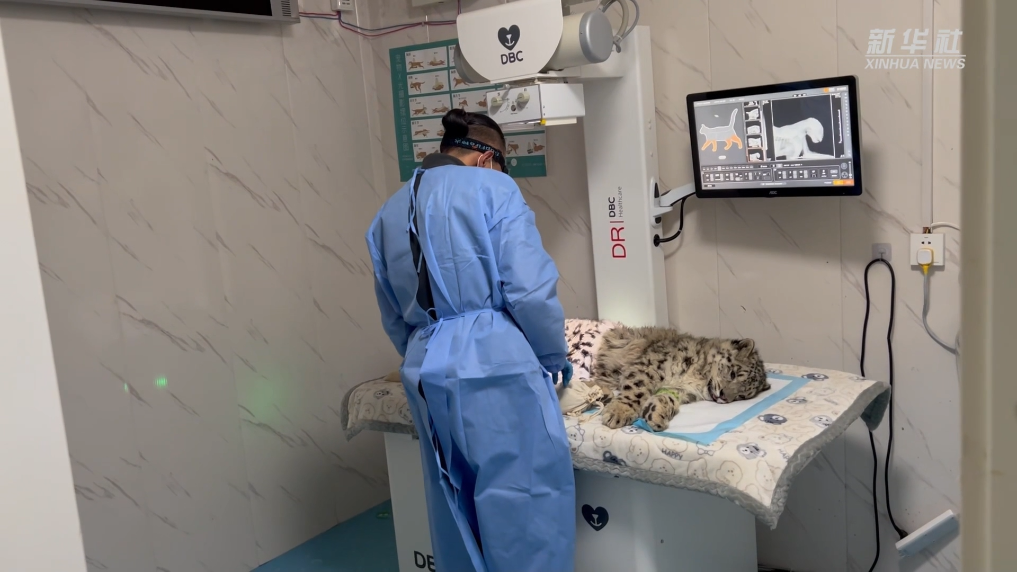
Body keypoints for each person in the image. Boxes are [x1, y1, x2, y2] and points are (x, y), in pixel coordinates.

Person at [366, 109, 576, 572]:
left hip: (424, 368)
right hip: (494, 361)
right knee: (524, 506)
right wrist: (551, 353)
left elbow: (392, 312)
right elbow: (529, 290)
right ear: (486, 160)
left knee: (452, 504)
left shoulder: (388, 211)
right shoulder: (494, 188)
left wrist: (425, 352)